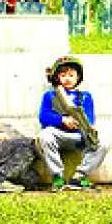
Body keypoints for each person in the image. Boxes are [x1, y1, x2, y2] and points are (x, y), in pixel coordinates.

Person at [38, 56, 106, 191]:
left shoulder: (85, 96)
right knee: (45, 135)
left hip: (80, 136)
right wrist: (62, 120)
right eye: (63, 75)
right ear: (57, 78)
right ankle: (57, 176)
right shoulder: (50, 95)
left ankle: (79, 177)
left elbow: (90, 119)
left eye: (71, 75)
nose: (67, 78)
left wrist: (81, 125)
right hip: (59, 134)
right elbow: (44, 117)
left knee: (103, 143)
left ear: (78, 77)